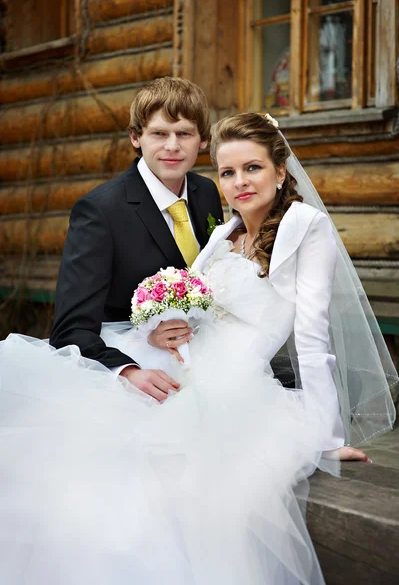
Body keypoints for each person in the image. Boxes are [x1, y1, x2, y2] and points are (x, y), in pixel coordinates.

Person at [0, 113, 396, 584]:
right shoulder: (224, 232)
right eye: (227, 172)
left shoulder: (305, 229)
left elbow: (311, 340)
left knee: (152, 482)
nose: (239, 182)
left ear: (281, 171)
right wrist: (158, 329)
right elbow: (199, 306)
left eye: (252, 168)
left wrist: (328, 438)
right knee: (61, 455)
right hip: (172, 361)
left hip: (231, 384)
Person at [49, 76, 224, 401]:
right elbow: (69, 330)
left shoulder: (207, 193)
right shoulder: (100, 211)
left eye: (184, 133)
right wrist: (128, 371)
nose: (172, 146)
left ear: (202, 140)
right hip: (135, 370)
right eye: (159, 133)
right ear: (135, 137)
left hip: (207, 360)